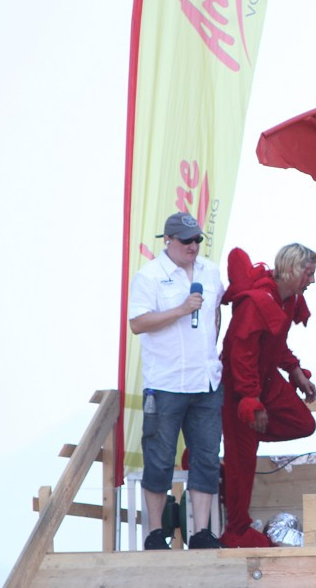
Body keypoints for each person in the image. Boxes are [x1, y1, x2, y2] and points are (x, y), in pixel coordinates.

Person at [128, 212, 224, 550]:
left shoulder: (211, 272)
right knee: (159, 458)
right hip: (166, 383)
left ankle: (202, 532)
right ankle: (156, 532)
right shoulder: (149, 276)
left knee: (207, 458)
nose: (194, 246)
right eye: (186, 240)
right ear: (168, 240)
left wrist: (211, 354)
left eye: (197, 239)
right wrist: (180, 310)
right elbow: (138, 323)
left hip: (206, 383)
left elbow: (215, 314)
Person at [219, 244, 316, 548]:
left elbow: (276, 344)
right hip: (241, 386)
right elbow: (241, 355)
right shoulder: (255, 302)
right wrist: (251, 401)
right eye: (309, 273)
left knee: (304, 423)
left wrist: (295, 370)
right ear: (290, 270)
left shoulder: (288, 300)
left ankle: (236, 453)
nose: (312, 281)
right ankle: (236, 532)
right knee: (243, 460)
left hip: (265, 379)